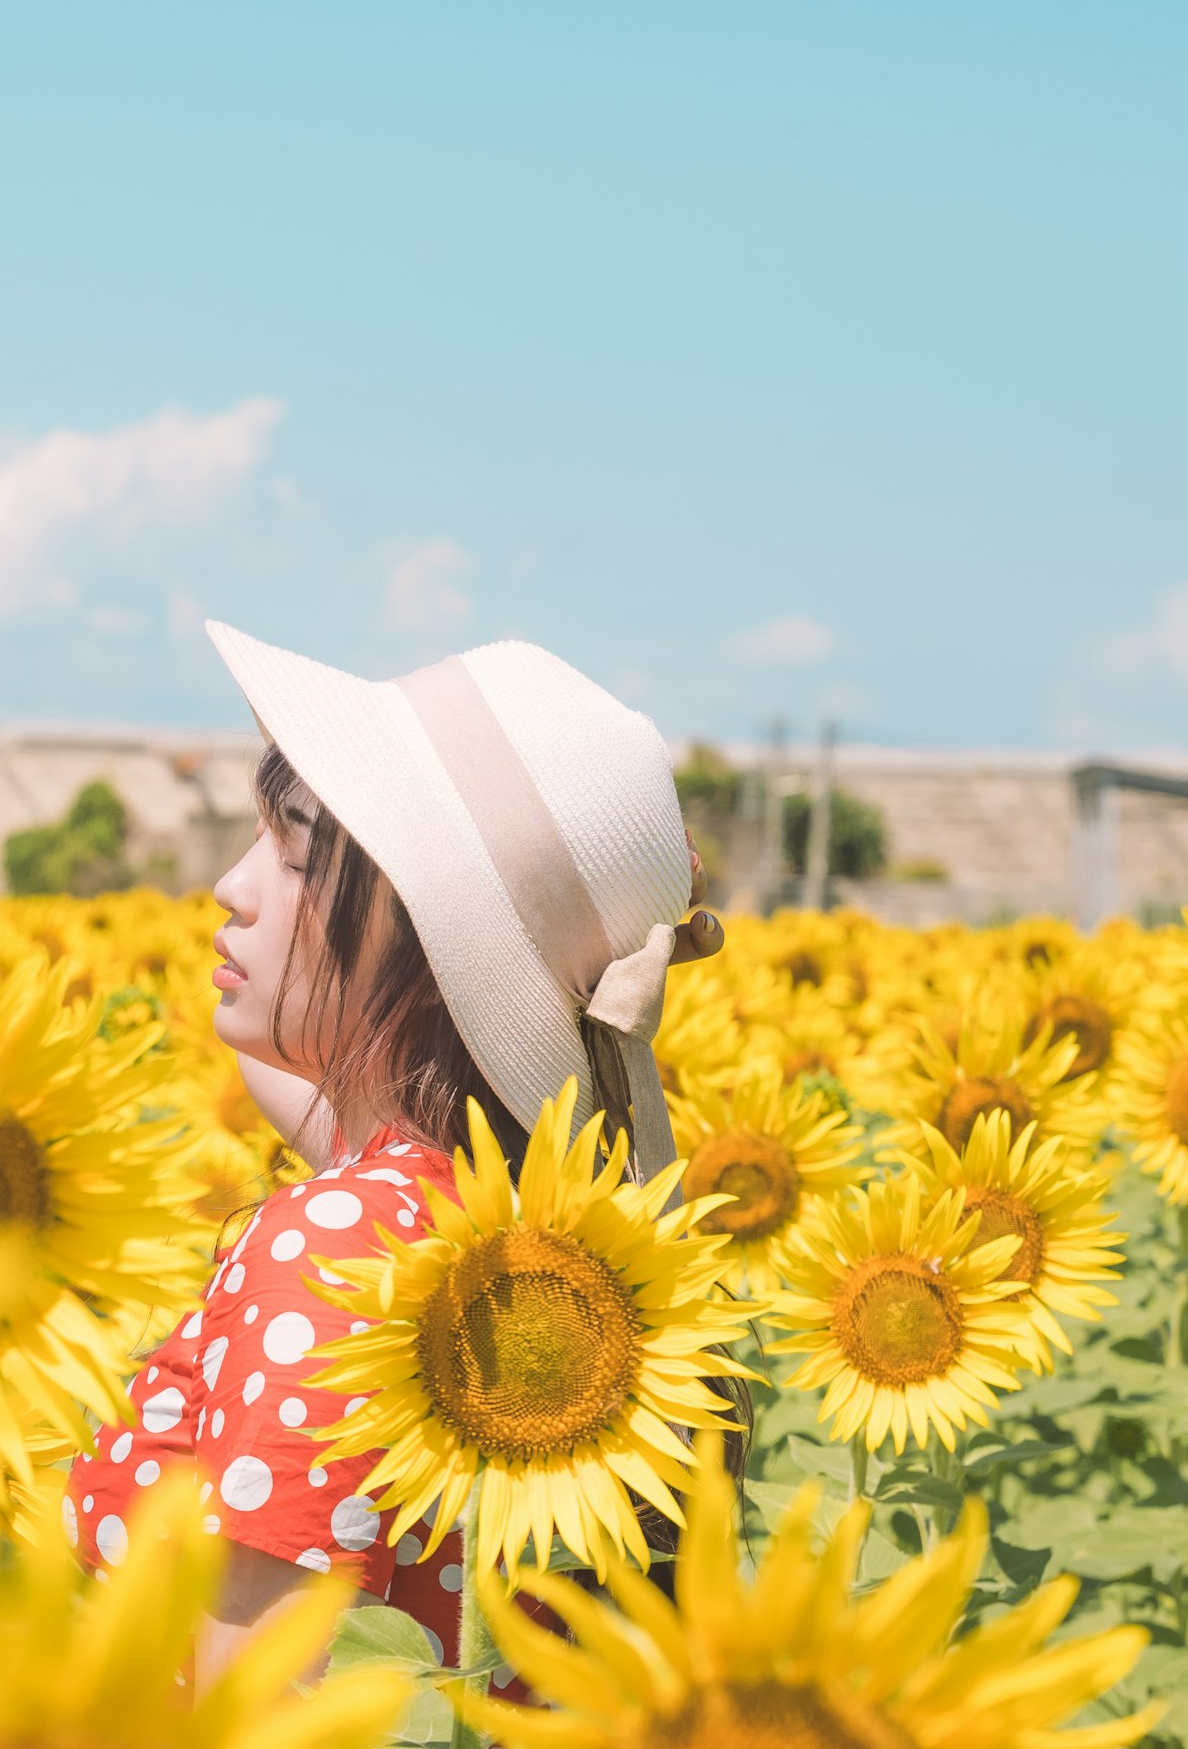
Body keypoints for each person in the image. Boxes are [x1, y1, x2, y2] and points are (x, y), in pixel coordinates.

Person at [64, 622, 719, 1688]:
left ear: (427, 944)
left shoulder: (328, 1260)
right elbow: (337, 1100)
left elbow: (249, 1738)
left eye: (294, 853)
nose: (230, 887)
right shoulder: (526, 1224)